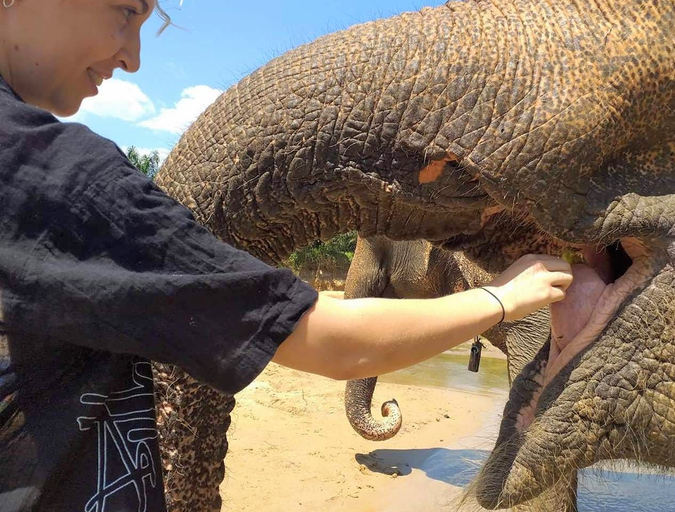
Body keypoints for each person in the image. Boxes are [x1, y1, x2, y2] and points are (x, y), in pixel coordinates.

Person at [0, 1, 573, 511]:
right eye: (125, 10)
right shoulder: (53, 175)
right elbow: (324, 339)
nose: (134, 58)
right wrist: (502, 297)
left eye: (150, 21)